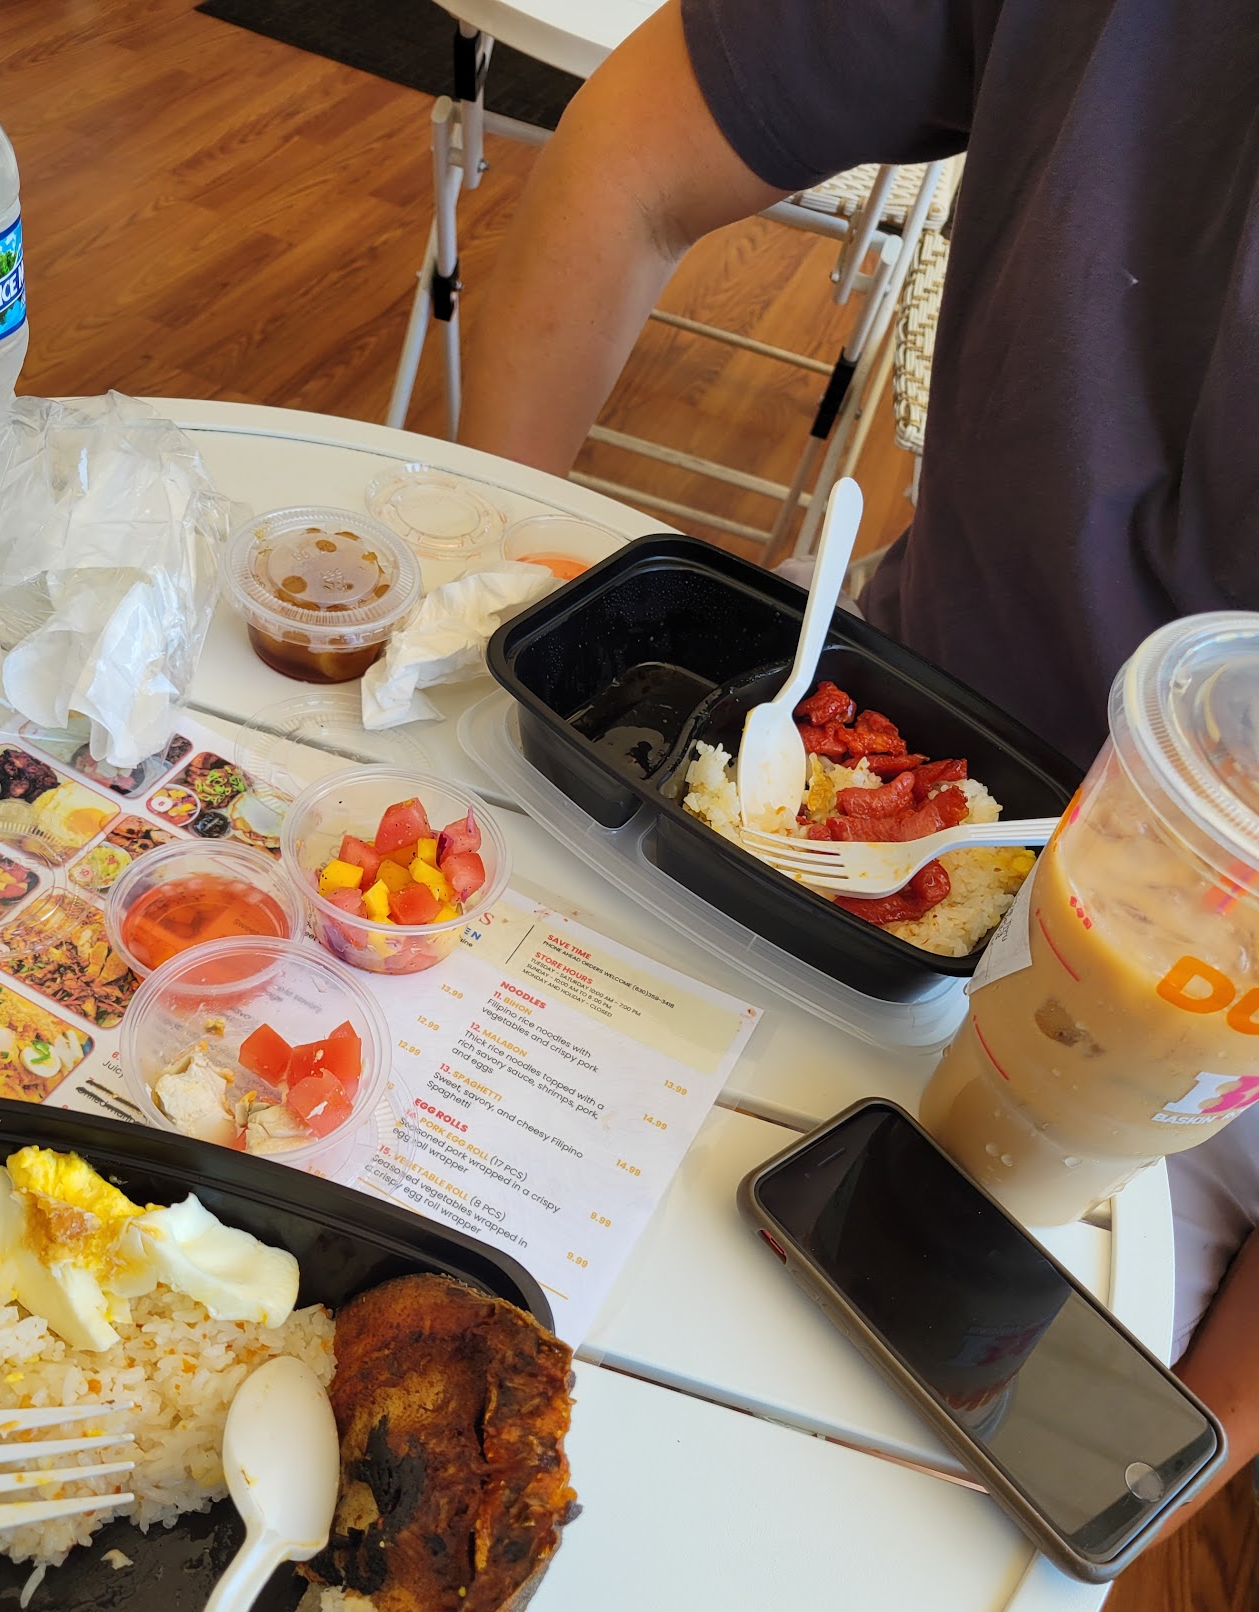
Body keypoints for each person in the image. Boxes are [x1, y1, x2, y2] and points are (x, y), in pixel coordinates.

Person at [458, 0, 1259, 1526]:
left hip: (1205, 1067)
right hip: (895, 738)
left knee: (841, 1509)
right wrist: (497, 581)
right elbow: (632, 160)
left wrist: (1184, 1447)